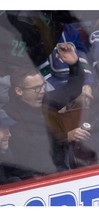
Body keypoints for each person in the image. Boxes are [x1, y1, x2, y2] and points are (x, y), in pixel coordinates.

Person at [3, 42, 90, 177]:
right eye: (35, 88)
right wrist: (65, 137)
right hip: (32, 178)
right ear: (19, 91)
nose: (41, 91)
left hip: (60, 171)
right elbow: (29, 145)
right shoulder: (9, 114)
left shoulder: (46, 101)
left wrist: (74, 64)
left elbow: (72, 89)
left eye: (42, 86)